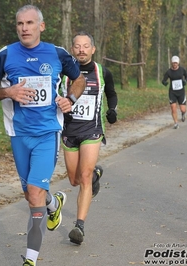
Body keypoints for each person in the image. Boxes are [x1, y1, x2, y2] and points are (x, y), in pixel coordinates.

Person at [0, 5, 85, 266]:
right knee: (31, 194)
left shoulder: (57, 53)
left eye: (29, 23)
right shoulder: (6, 55)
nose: (24, 28)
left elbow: (79, 79)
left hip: (47, 133)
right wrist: (8, 92)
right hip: (19, 134)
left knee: (35, 192)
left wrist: (70, 98)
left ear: (41, 26)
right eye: (20, 24)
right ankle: (53, 203)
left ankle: (30, 259)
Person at [60, 32, 118, 245]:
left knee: (83, 178)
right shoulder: (63, 73)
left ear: (93, 49)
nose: (81, 50)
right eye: (77, 46)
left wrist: (112, 110)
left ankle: (79, 226)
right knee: (74, 180)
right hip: (69, 132)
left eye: (86, 46)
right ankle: (95, 173)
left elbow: (111, 93)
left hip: (92, 130)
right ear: (72, 49)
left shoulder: (102, 71)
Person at [161, 55, 187, 129]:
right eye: (173, 63)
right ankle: (176, 123)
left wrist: (185, 81)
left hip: (181, 92)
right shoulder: (169, 71)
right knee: (173, 107)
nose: (175, 64)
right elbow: (164, 80)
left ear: (178, 63)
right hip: (172, 92)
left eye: (176, 63)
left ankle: (183, 114)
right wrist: (164, 83)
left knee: (183, 109)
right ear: (171, 63)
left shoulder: (182, 70)